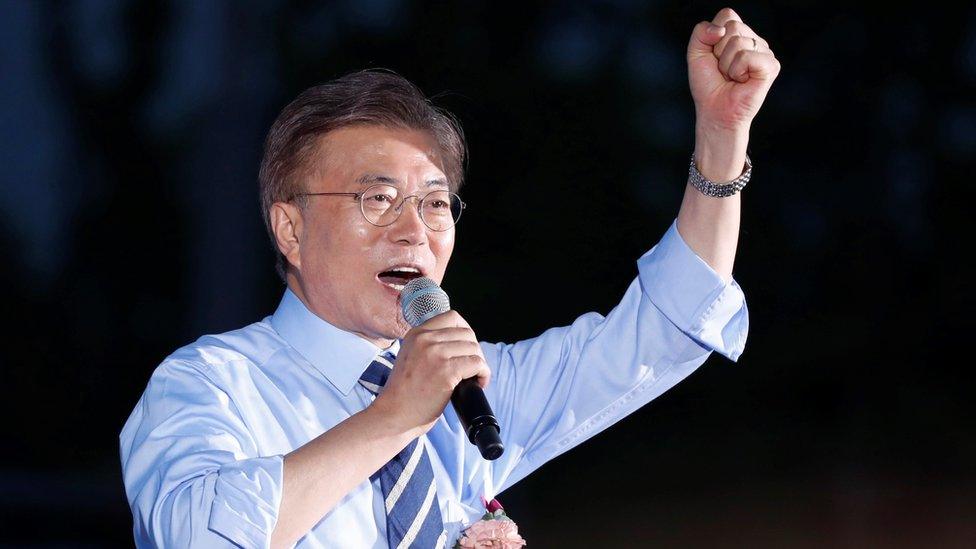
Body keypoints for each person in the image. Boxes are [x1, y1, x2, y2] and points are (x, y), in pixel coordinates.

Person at [119, 7, 778, 548]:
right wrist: (394, 415)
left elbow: (664, 329)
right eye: (376, 199)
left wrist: (722, 137)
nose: (415, 231)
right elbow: (195, 535)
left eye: (435, 203)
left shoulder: (475, 389)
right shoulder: (209, 383)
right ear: (290, 228)